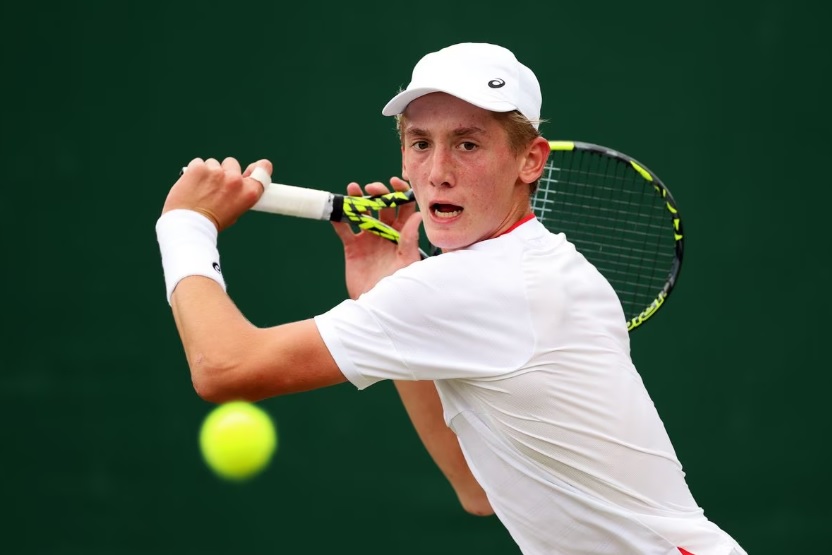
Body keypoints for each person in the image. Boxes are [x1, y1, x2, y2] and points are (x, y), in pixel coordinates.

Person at [156, 42, 747, 555]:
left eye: (467, 145)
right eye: (420, 143)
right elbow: (478, 491)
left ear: (530, 160)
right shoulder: (551, 265)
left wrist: (185, 225)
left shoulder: (482, 285)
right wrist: (388, 298)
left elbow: (224, 368)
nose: (437, 171)